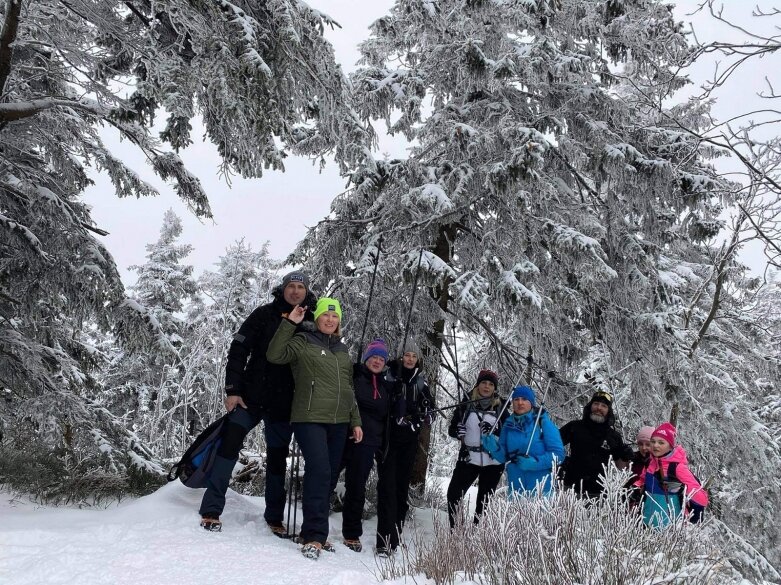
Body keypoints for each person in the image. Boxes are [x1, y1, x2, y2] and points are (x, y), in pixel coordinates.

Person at [198, 271, 316, 533]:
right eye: (291, 286)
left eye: (300, 287)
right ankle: (211, 509)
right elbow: (238, 350)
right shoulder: (263, 314)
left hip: (284, 404)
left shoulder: (310, 321)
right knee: (228, 448)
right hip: (249, 398)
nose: (295, 291)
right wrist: (232, 389)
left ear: (306, 292)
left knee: (277, 459)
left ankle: (274, 517)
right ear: (282, 289)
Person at [267, 297, 362, 560]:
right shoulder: (304, 340)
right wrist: (289, 324)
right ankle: (314, 536)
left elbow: (348, 389)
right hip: (309, 417)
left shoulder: (343, 350)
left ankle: (313, 530)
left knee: (328, 476)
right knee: (319, 470)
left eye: (335, 317)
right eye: (325, 315)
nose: (330, 320)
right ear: (317, 318)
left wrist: (355, 420)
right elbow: (275, 354)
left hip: (339, 421)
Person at [375, 340, 436, 556]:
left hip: (409, 443)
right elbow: (379, 404)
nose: (410, 359)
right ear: (401, 357)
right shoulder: (389, 375)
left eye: (414, 356)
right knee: (387, 488)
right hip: (388, 441)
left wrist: (423, 416)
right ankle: (384, 541)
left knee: (400, 489)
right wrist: (395, 412)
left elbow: (431, 412)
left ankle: (396, 534)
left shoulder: (421, 383)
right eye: (407, 355)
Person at [341, 339, 393, 553]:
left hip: (369, 443)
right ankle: (315, 527)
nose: (377, 361)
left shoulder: (387, 385)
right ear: (366, 359)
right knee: (326, 477)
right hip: (344, 435)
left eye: (382, 359)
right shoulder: (354, 376)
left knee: (356, 486)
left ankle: (352, 534)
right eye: (374, 357)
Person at [446, 369, 508, 528]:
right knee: (453, 495)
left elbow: (509, 433)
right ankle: (457, 532)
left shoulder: (501, 406)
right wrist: (457, 431)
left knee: (484, 503)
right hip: (468, 459)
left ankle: (475, 533)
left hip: (493, 462)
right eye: (483, 383)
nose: (487, 387)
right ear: (478, 384)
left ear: (495, 388)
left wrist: (495, 430)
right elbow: (452, 428)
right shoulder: (466, 403)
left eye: (490, 384)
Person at [482, 385, 564, 497]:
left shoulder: (542, 422)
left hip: (541, 490)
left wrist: (535, 463)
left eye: (524, 399)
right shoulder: (508, 424)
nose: (520, 403)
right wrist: (494, 448)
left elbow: (558, 455)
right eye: (516, 399)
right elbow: (504, 457)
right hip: (515, 489)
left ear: (531, 402)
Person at [559, 390, 633, 498]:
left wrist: (625, 456)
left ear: (608, 411)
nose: (599, 408)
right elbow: (553, 445)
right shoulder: (574, 427)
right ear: (590, 406)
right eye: (596, 404)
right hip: (570, 488)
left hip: (599, 493)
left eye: (604, 406)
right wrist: (561, 461)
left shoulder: (613, 436)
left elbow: (620, 467)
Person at [634, 422, 708, 528]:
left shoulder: (677, 468)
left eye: (661, 443)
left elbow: (700, 496)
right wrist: (635, 488)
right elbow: (642, 479)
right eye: (653, 441)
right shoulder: (651, 463)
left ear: (670, 446)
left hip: (668, 528)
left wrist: (694, 515)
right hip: (645, 523)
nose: (655, 445)